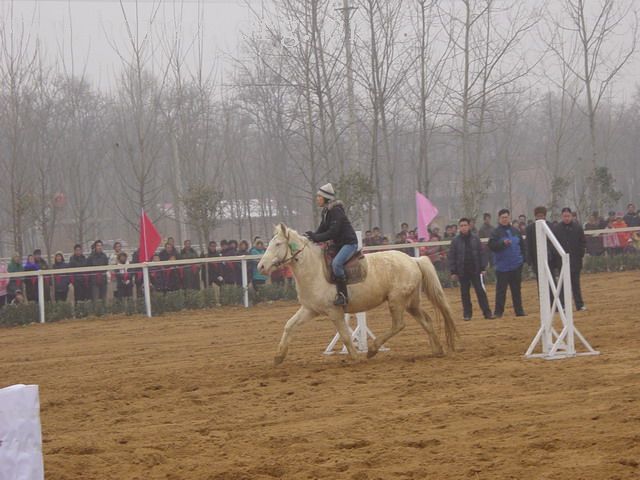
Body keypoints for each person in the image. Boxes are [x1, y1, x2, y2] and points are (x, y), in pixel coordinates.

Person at [306, 182, 358, 306]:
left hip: (349, 243)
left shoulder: (336, 211)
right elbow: (321, 230)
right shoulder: (326, 212)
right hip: (339, 244)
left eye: (319, 196)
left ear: (326, 198)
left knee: (336, 264)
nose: (317, 199)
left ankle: (343, 296)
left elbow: (333, 232)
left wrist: (316, 237)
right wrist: (309, 238)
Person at [448, 218, 494, 320]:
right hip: (462, 271)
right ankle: (467, 314)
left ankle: (487, 313)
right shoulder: (455, 241)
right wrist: (453, 271)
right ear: (459, 227)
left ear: (469, 226)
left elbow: (482, 253)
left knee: (480, 292)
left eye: (465, 225)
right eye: (461, 225)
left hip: (475, 270)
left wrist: (483, 267)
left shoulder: (475, 238)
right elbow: (452, 257)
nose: (463, 227)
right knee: (465, 294)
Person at [488, 209, 526, 318]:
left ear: (509, 218)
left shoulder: (516, 231)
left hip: (516, 265)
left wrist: (522, 259)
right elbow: (491, 246)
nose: (505, 219)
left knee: (516, 290)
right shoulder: (495, 233)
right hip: (502, 267)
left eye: (506, 217)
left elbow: (522, 246)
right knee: (501, 291)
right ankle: (498, 312)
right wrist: (502, 243)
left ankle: (519, 311)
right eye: (503, 217)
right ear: (499, 219)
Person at [553, 207, 587, 311]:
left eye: (568, 216)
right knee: (562, 285)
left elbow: (583, 242)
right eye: (564, 216)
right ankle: (563, 306)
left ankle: (579, 304)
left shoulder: (577, 228)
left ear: (571, 216)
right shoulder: (557, 229)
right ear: (561, 216)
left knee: (575, 284)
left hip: (575, 261)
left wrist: (580, 254)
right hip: (561, 262)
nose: (566, 218)